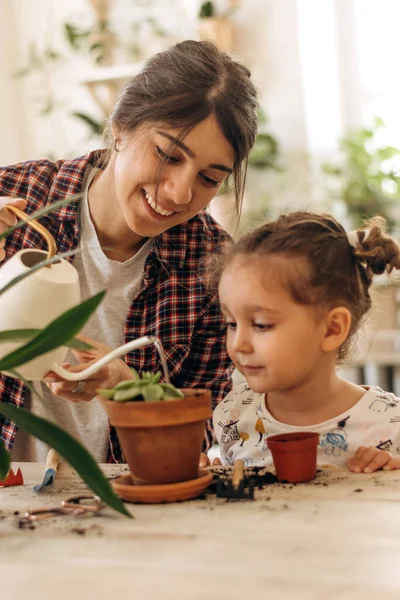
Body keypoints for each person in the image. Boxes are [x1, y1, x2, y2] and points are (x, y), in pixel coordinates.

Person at [0, 40, 258, 464]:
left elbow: (195, 438)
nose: (180, 193)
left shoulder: (211, 263)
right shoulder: (19, 200)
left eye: (209, 179)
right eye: (168, 155)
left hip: (127, 509)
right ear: (120, 127)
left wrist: (127, 388)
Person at [211, 211, 400, 473]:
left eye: (261, 325)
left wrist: (392, 475)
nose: (239, 344)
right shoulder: (233, 415)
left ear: (331, 329)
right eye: (231, 324)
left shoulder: (390, 426)